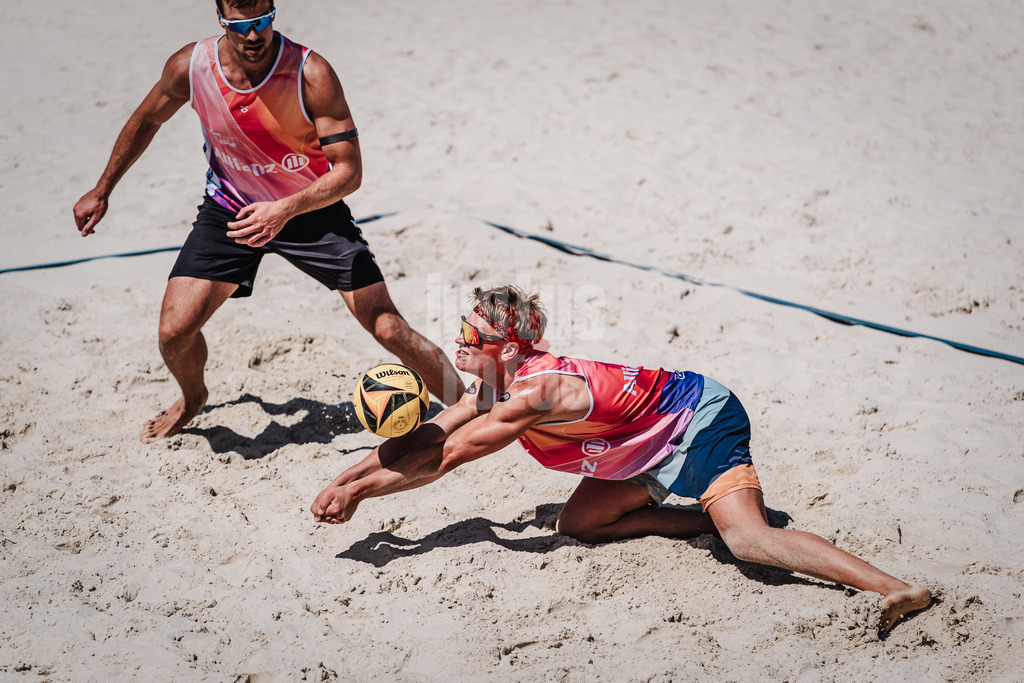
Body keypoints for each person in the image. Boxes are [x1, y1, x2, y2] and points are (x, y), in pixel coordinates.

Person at [311, 284, 932, 632]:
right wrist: (347, 477)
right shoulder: (503, 381)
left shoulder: (537, 392)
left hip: (698, 418)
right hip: (642, 447)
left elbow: (445, 458)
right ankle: (701, 522)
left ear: (509, 345)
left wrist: (360, 498)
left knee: (750, 543)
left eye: (472, 336)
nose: (459, 342)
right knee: (578, 526)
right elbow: (428, 434)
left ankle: (897, 589)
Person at [73, 1, 464, 443]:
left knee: (387, 326)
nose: (254, 35)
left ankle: (469, 404)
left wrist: (284, 209)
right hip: (231, 209)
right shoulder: (191, 67)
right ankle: (193, 397)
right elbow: (146, 119)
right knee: (173, 333)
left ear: (273, 13)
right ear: (221, 19)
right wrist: (103, 187)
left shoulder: (310, 72)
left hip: (310, 210)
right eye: (242, 26)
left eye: (262, 22)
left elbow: (349, 173)